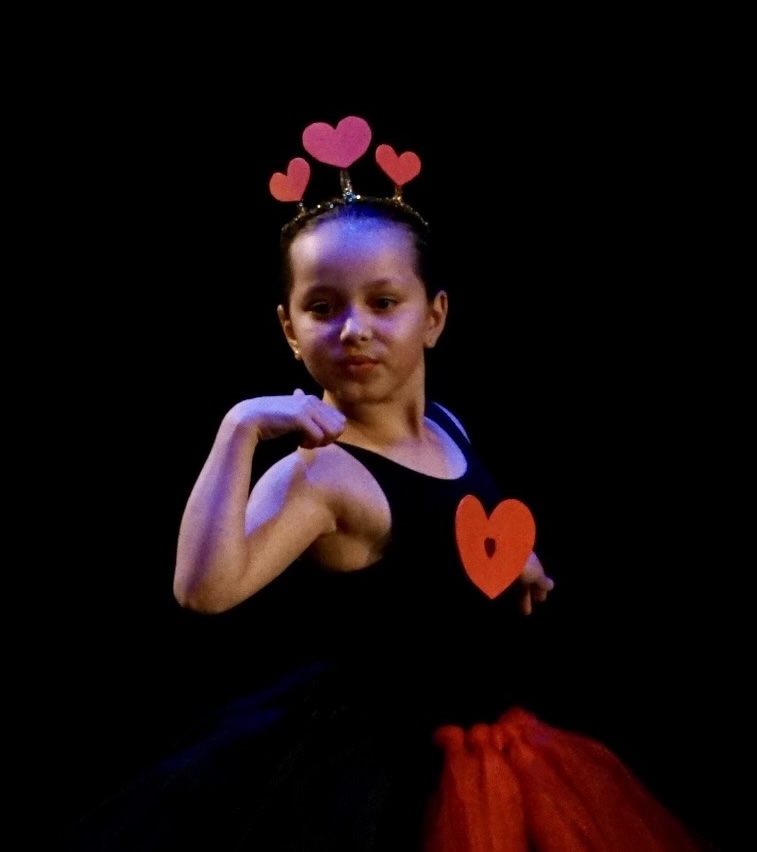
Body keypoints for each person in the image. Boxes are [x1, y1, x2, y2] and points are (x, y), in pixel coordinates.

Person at [58, 116, 717, 851]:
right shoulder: (323, 474)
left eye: (382, 302)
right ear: (288, 330)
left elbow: (455, 527)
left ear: (433, 316)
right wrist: (237, 428)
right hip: (392, 779)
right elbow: (203, 590)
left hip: (504, 747)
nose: (353, 329)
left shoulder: (446, 426)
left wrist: (507, 570)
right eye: (322, 307)